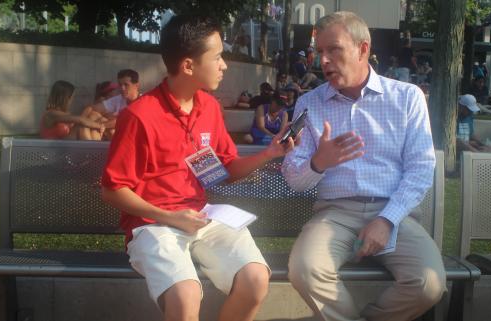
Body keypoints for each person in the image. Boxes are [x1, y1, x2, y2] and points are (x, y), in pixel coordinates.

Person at [100, 14, 295, 321]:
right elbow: (113, 190)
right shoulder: (140, 116)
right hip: (154, 224)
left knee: (255, 278)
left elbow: (224, 169)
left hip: (202, 217)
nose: (224, 64)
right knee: (185, 294)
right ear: (189, 65)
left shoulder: (209, 108)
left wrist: (269, 154)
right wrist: (169, 216)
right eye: (217, 56)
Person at [282, 12, 445, 321]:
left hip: (394, 212)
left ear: (362, 49)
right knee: (305, 269)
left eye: (334, 50)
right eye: (319, 52)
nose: (324, 61)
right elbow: (294, 180)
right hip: (335, 213)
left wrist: (386, 220)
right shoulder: (309, 103)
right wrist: (319, 163)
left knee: (428, 283)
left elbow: (421, 168)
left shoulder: (407, 97)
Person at [40, 80, 106, 140]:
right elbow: (80, 120)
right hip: (55, 148)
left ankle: (96, 147)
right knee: (82, 125)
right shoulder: (50, 115)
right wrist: (100, 126)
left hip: (65, 145)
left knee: (94, 116)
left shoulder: (63, 115)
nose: (71, 101)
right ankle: (92, 150)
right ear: (65, 98)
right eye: (72, 97)